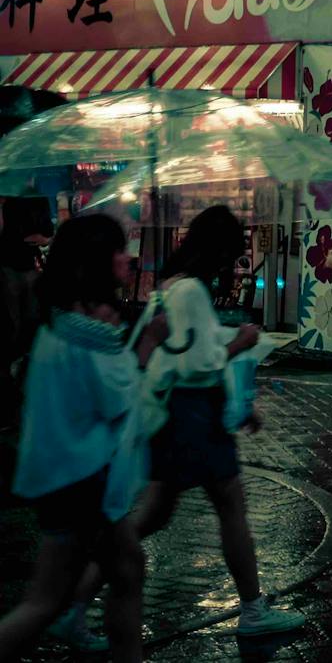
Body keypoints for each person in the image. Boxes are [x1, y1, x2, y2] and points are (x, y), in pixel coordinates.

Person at [130, 207, 305, 637]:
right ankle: (253, 609)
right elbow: (199, 361)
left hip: (187, 414)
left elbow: (186, 348)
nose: (239, 253)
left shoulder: (175, 286)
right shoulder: (190, 290)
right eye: (235, 245)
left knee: (155, 514)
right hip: (194, 417)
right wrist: (242, 341)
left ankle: (75, 600)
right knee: (227, 506)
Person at [0, 216, 167, 662]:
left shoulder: (64, 319)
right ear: (93, 260)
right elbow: (119, 397)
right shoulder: (83, 329)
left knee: (128, 569)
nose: (126, 256)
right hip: (79, 481)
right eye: (116, 249)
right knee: (46, 599)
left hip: (70, 475)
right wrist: (148, 341)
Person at [1, 195, 52, 398]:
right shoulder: (29, 202)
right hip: (16, 264)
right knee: (19, 318)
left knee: (21, 318)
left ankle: (20, 362)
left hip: (19, 264)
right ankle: (20, 361)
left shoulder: (31, 201)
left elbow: (47, 232)